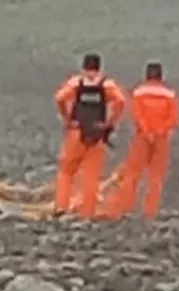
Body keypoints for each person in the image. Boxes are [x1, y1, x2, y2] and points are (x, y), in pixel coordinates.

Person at [104, 62, 179, 219]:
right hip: (162, 138)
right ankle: (150, 211)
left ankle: (123, 208)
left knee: (132, 174)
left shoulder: (139, 92)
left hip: (142, 138)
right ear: (161, 75)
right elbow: (173, 118)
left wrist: (147, 132)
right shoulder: (169, 94)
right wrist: (160, 131)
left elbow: (137, 115)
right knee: (156, 176)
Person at [54, 53, 126, 218]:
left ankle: (61, 207)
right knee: (91, 174)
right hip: (96, 133)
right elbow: (121, 101)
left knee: (66, 171)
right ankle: (88, 211)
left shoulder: (76, 83)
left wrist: (67, 119)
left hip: (76, 131)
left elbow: (59, 98)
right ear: (99, 68)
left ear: (83, 67)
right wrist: (110, 123)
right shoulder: (107, 85)